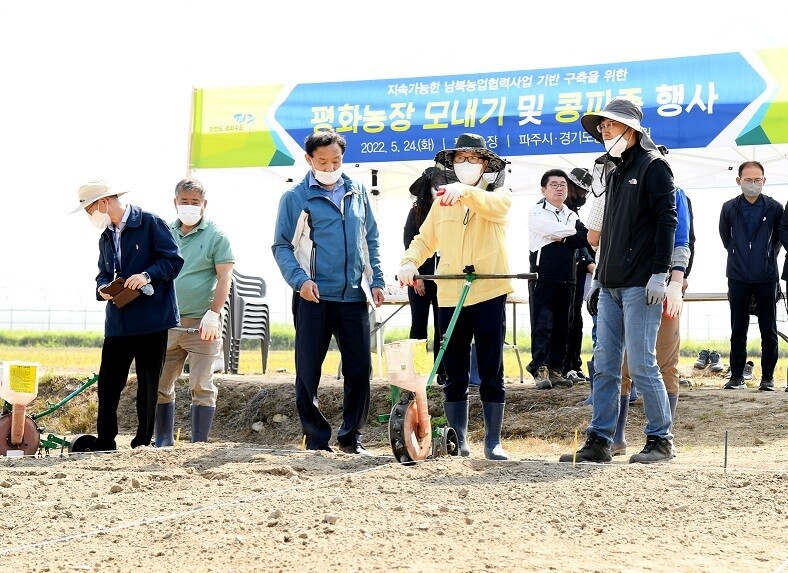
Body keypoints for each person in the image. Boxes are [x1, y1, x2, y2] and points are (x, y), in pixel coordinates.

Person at [559, 96, 678, 464]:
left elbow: (667, 221)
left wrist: (661, 273)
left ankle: (661, 440)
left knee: (642, 363)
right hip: (609, 284)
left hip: (641, 284)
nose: (603, 131)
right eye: (602, 127)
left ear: (632, 129)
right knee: (605, 364)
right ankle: (600, 440)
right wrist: (598, 277)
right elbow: (605, 232)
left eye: (609, 125)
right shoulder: (612, 171)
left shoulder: (654, 166)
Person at [398, 133, 513, 460]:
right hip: (450, 293)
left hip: (489, 290)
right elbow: (423, 241)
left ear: (485, 164)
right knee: (455, 369)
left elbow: (496, 208)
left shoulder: (499, 195)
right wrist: (409, 262)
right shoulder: (441, 203)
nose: (466, 165)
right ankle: (458, 439)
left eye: (473, 159)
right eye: (460, 159)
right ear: (452, 163)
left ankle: (493, 441)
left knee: (492, 368)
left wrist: (466, 192)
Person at [272, 129, 385, 455]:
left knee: (359, 369)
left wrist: (376, 279)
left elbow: (370, 239)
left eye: (336, 160)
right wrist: (300, 280)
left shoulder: (358, 191)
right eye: (323, 161)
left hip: (353, 296)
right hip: (314, 297)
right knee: (308, 370)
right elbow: (282, 246)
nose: (330, 166)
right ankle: (317, 439)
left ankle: (351, 438)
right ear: (309, 160)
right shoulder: (295, 198)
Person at [71, 179, 183, 451]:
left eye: (89, 209)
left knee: (147, 385)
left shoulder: (150, 223)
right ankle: (105, 441)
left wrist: (146, 276)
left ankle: (142, 443)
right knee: (108, 384)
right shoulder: (106, 236)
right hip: (118, 321)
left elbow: (173, 260)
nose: (90, 215)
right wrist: (102, 289)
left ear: (104, 202)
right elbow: (102, 273)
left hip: (152, 320)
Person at [613, 186, 694, 454]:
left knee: (666, 358)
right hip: (628, 283)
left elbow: (682, 239)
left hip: (666, 281)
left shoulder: (674, 193)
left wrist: (676, 281)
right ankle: (616, 437)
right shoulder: (621, 191)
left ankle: (662, 438)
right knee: (622, 360)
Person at [155, 178, 234, 446]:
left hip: (203, 324)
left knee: (201, 384)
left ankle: (198, 442)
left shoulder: (217, 236)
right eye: (184, 202)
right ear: (175, 202)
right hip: (166, 322)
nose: (189, 206)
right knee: (160, 384)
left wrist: (214, 313)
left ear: (204, 205)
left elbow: (225, 278)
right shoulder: (164, 231)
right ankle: (163, 439)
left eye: (195, 202)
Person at [720, 161, 782, 391]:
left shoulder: (774, 207)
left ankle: (768, 378)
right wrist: (740, 256)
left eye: (757, 180)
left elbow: (777, 239)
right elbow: (726, 238)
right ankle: (736, 376)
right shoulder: (729, 207)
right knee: (738, 328)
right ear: (739, 181)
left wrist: (764, 257)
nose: (753, 184)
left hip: (766, 276)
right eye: (748, 180)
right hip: (737, 276)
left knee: (769, 329)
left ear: (764, 181)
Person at [527, 169, 591, 390]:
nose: (559, 188)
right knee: (543, 323)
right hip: (544, 275)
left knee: (564, 325)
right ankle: (540, 367)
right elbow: (549, 228)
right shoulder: (536, 211)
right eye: (554, 184)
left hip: (568, 277)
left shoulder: (571, 214)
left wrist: (562, 237)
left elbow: (584, 237)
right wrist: (570, 234)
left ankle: (556, 368)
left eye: (563, 184)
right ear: (543, 189)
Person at [404, 166, 454, 385]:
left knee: (442, 326)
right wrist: (419, 278)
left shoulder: (449, 209)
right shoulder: (416, 211)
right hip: (420, 279)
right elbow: (410, 243)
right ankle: (416, 372)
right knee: (419, 326)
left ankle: (441, 371)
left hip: (443, 278)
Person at [563, 167, 596, 384]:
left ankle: (574, 364)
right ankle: (565, 366)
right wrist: (589, 262)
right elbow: (577, 241)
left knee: (576, 319)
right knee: (566, 320)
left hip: (577, 274)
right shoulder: (558, 209)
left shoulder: (575, 211)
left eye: (585, 192)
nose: (582, 196)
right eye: (579, 191)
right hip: (564, 271)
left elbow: (585, 238)